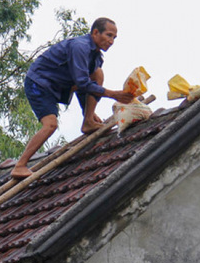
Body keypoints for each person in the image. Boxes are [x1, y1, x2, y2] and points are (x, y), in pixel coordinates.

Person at [11, 17, 134, 180]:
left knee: (97, 73)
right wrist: (113, 94)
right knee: (50, 125)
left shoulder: (96, 56)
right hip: (40, 83)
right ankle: (20, 166)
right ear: (96, 33)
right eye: (109, 35)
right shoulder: (80, 47)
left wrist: (88, 112)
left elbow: (85, 85)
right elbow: (82, 83)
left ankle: (88, 122)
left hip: (60, 83)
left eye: (114, 38)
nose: (111, 41)